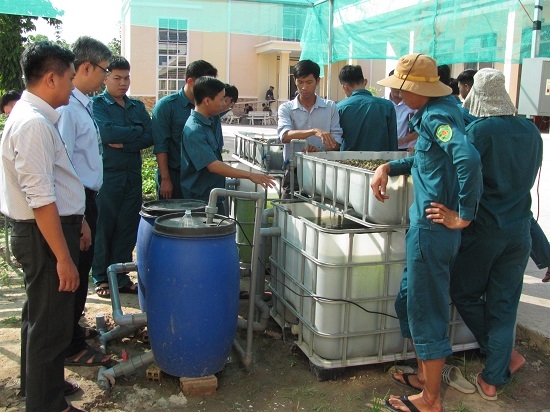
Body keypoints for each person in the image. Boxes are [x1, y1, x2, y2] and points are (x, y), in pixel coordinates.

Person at [371, 53, 482, 412]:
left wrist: (463, 215)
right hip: (431, 232)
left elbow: (467, 158)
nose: (399, 97)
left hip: (432, 231)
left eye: (403, 91)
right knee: (409, 302)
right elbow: (429, 159)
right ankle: (424, 376)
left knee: (426, 310)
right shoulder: (444, 111)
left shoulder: (436, 117)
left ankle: (431, 399)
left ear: (421, 89)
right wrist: (389, 165)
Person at [443, 69, 543, 401]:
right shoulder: (531, 130)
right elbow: (524, 193)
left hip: (484, 229)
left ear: (475, 96)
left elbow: (461, 176)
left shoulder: (479, 131)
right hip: (519, 233)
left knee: (465, 292)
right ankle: (495, 374)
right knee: (504, 305)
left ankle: (501, 361)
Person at [0, 41, 86, 412]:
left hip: (47, 231)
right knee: (50, 327)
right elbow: (41, 199)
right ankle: (47, 404)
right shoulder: (33, 124)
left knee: (40, 317)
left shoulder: (33, 117)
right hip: (44, 235)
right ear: (51, 78)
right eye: (69, 78)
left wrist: (77, 221)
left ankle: (41, 385)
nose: (71, 85)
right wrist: (63, 258)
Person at [56, 36, 113, 366]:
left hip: (85, 199)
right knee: (73, 276)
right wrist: (80, 217)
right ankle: (70, 345)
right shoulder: (68, 110)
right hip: (74, 203)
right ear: (86, 67)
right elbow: (62, 167)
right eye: (104, 71)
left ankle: (72, 331)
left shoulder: (82, 105)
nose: (105, 79)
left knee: (81, 269)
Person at [91, 56, 153, 297]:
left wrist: (126, 143)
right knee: (104, 225)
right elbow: (106, 133)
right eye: (117, 78)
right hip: (108, 176)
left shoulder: (137, 106)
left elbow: (149, 135)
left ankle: (120, 274)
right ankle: (100, 276)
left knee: (128, 225)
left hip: (132, 174)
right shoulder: (97, 105)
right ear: (106, 78)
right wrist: (135, 133)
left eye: (126, 78)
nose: (123, 83)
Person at [180, 77, 275, 213]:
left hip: (213, 196)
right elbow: (213, 165)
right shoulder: (194, 129)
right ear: (207, 101)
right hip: (200, 201)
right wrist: (250, 175)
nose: (224, 104)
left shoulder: (208, 122)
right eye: (221, 99)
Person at [152, 60, 217, 199]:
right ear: (190, 81)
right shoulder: (166, 106)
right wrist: (165, 179)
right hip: (174, 176)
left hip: (201, 179)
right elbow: (161, 146)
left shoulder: (211, 109)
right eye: (206, 83)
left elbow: (215, 146)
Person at [277, 59, 342, 198]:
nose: (304, 87)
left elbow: (336, 142)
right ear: (294, 80)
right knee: (289, 211)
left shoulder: (330, 107)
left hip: (323, 169)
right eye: (300, 82)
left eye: (309, 82)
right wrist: (313, 131)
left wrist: (320, 151)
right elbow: (285, 135)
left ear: (317, 81)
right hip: (294, 170)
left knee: (321, 212)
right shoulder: (286, 108)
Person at [337, 64, 397, 151]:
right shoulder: (387, 106)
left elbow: (335, 141)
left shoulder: (339, 108)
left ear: (344, 87)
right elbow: (393, 141)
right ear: (365, 82)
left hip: (348, 162)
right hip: (380, 162)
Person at [386, 70, 418, 150]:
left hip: (408, 149)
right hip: (387, 148)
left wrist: (404, 140)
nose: (397, 88)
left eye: (400, 84)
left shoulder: (413, 105)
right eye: (395, 84)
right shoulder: (383, 104)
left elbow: (421, 129)